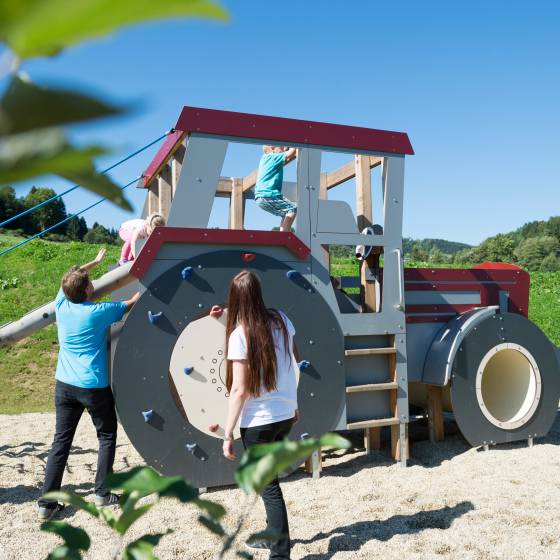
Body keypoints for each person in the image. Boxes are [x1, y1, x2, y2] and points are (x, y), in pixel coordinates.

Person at [38, 248, 140, 520]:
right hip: (93, 387)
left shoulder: (61, 305)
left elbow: (68, 280)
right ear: (86, 291)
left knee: (60, 442)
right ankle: (102, 493)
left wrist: (93, 263)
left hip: (64, 385)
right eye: (90, 282)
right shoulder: (98, 312)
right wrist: (143, 292)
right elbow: (129, 302)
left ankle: (46, 504)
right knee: (106, 436)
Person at [220, 270, 298, 560]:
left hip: (259, 423)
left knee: (270, 489)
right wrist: (294, 403)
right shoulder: (281, 320)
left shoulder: (240, 334)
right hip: (284, 416)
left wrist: (227, 434)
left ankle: (279, 555)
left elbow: (239, 390)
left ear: (236, 298)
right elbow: (292, 363)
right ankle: (270, 537)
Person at [254, 146, 297, 232]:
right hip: (269, 195)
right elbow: (290, 153)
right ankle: (285, 235)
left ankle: (283, 236)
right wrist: (295, 145)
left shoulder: (265, 159)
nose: (284, 148)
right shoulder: (273, 157)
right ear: (272, 148)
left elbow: (282, 152)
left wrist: (283, 149)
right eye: (281, 147)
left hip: (260, 198)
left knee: (286, 213)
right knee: (292, 209)